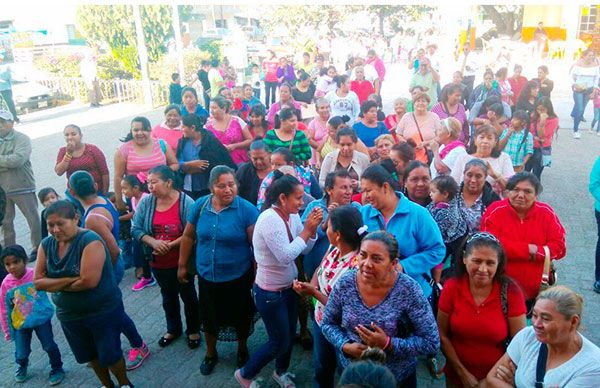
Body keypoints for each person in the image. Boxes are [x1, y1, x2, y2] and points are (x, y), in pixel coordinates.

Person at [234, 172, 323, 388]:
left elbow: (304, 249)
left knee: (288, 335)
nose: (302, 203)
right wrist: (307, 231)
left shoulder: (291, 216)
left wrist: (311, 233)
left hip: (289, 287)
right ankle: (245, 373)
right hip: (270, 292)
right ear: (283, 198)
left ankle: (280, 371)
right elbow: (285, 256)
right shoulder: (269, 219)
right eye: (298, 198)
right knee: (278, 340)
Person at [34, 200, 133, 388]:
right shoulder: (46, 245)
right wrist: (71, 280)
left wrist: (54, 284)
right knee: (91, 355)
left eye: (60, 224)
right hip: (70, 315)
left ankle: (124, 383)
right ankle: (106, 385)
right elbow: (38, 282)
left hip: (101, 311)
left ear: (75, 219)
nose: (55, 230)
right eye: (50, 225)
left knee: (110, 354)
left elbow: (89, 281)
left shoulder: (90, 240)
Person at [321, 231, 440, 387]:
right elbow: (327, 323)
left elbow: (431, 342)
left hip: (397, 379)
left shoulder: (409, 290)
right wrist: (345, 345)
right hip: (355, 377)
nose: (366, 264)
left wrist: (388, 344)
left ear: (393, 263)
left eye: (376, 259)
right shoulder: (346, 283)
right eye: (363, 255)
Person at [178, 166, 259, 375]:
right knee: (209, 317)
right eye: (221, 186)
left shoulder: (247, 210)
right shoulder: (199, 206)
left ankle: (242, 350)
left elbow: (256, 248)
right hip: (207, 276)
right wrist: (182, 265)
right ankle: (211, 353)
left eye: (231, 185)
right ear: (211, 187)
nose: (227, 190)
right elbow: (188, 236)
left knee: (240, 316)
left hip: (238, 277)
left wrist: (259, 275)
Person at [69, 171, 149, 371]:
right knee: (112, 310)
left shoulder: (92, 219)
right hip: (108, 265)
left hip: (108, 267)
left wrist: (109, 273)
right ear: (95, 186)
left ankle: (138, 345)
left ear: (71, 191)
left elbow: (113, 249)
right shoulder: (103, 200)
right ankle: (110, 348)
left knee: (114, 311)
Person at [438, 232, 526, 388]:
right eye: (476, 261)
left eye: (490, 263)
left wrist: (488, 380)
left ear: (499, 263)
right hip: (456, 376)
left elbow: (520, 344)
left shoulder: (511, 293)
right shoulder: (452, 287)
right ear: (465, 258)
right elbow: (442, 334)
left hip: (497, 380)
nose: (483, 269)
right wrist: (462, 373)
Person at [294, 205, 365, 387]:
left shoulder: (356, 267)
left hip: (343, 330)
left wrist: (313, 293)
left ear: (338, 234)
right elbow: (320, 268)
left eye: (329, 226)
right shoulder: (334, 248)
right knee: (322, 365)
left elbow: (343, 308)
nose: (326, 228)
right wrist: (311, 285)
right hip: (321, 320)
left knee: (345, 370)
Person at [131, 166, 201, 349]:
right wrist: (153, 242)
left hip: (182, 262)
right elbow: (135, 228)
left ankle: (193, 329)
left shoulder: (187, 203)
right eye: (148, 183)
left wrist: (170, 245)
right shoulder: (147, 203)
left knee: (188, 296)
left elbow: (192, 233)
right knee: (168, 296)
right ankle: (173, 328)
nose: (150, 187)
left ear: (169, 183)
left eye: (154, 182)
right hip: (158, 263)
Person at [481, 172, 566, 310]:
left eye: (527, 191)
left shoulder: (546, 213)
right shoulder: (495, 211)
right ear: (507, 191)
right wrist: (529, 251)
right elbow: (490, 247)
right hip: (498, 289)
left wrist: (532, 251)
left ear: (536, 194)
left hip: (536, 294)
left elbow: (559, 248)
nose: (520, 195)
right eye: (516, 190)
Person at [486, 286, 600, 387]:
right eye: (534, 315)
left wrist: (514, 384)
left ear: (573, 322)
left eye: (546, 318)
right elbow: (492, 379)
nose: (536, 324)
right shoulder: (528, 335)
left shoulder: (592, 367)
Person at [360, 165, 445, 297]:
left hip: (412, 295)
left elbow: (437, 250)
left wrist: (404, 266)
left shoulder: (418, 214)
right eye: (363, 191)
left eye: (368, 190)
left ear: (386, 187)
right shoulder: (364, 213)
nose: (365, 196)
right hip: (376, 296)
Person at [0, 245, 65, 385]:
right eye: (7, 264)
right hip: (21, 323)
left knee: (49, 345)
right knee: (22, 351)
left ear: (25, 260)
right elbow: (4, 308)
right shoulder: (6, 284)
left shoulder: (36, 274)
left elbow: (53, 283)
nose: (12, 267)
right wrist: (7, 330)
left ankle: (57, 367)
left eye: (16, 262)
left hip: (41, 319)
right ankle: (22, 365)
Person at [113, 116, 179, 211]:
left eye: (144, 130)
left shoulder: (161, 144)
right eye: (136, 130)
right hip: (136, 198)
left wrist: (161, 175)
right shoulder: (123, 150)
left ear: (150, 130)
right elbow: (118, 177)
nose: (140, 133)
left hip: (162, 193)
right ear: (131, 131)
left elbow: (175, 164)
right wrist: (119, 200)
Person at [0, 110, 41, 261]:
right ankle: (9, 252)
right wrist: (7, 161)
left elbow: (17, 160)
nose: (0, 125)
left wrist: (6, 162)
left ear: (11, 122)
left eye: (3, 122)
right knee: (5, 222)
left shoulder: (22, 138)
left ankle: (38, 247)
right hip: (2, 189)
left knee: (32, 218)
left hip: (22, 185)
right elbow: (11, 161)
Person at [176, 114, 236, 200]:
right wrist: (190, 164)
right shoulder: (183, 143)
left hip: (209, 186)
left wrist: (205, 167)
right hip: (189, 187)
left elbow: (222, 162)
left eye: (183, 127)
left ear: (192, 128)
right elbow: (177, 163)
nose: (181, 129)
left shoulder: (211, 141)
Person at [451, 125, 515, 197]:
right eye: (481, 137)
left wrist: (496, 176)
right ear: (475, 140)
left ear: (495, 142)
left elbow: (511, 188)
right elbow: (453, 184)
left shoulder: (503, 158)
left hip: (493, 203)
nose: (485, 141)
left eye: (489, 138)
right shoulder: (463, 157)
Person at [256, 147, 322, 210]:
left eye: (278, 165)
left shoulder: (307, 177)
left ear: (290, 164)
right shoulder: (268, 181)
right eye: (272, 164)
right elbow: (262, 205)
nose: (274, 168)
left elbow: (319, 200)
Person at [120, 174, 155, 291]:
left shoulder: (146, 198)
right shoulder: (134, 199)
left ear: (135, 188)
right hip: (140, 230)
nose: (123, 192)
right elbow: (135, 214)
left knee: (140, 250)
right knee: (140, 251)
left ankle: (146, 275)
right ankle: (146, 273)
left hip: (147, 231)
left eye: (125, 188)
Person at [55, 124, 110, 195]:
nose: (70, 137)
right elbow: (59, 172)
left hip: (95, 191)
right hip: (75, 193)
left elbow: (105, 173)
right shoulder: (63, 151)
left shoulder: (92, 150)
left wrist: (105, 194)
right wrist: (68, 154)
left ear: (81, 136)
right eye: (67, 135)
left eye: (73, 134)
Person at [456, 159, 501, 235]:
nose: (473, 180)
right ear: (464, 174)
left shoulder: (493, 199)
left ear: (485, 177)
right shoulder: (452, 194)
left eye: (478, 176)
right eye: (469, 175)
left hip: (482, 244)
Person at [206, 96, 253, 165]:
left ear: (224, 109)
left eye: (214, 108)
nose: (211, 110)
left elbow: (250, 140)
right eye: (210, 107)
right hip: (219, 162)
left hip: (239, 161)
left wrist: (235, 146)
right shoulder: (208, 126)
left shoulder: (237, 120)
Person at [397, 92, 442, 164]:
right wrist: (408, 145)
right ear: (414, 103)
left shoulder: (434, 116)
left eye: (423, 101)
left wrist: (425, 143)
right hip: (409, 155)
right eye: (418, 101)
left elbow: (439, 137)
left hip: (428, 154)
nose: (420, 103)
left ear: (428, 103)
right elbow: (398, 134)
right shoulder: (407, 116)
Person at [525, 97, 558, 180]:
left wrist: (542, 124)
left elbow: (541, 136)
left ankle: (535, 192)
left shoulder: (553, 119)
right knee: (524, 173)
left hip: (541, 149)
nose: (540, 112)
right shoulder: (533, 115)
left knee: (536, 175)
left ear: (548, 109)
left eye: (543, 110)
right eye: (538, 109)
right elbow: (528, 131)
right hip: (529, 147)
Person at [570, 49, 599, 138]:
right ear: (584, 56)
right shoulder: (577, 65)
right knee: (580, 109)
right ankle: (575, 130)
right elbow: (571, 76)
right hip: (579, 90)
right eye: (589, 55)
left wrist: (594, 90)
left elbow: (596, 78)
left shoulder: (596, 66)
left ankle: (575, 127)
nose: (591, 57)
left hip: (589, 90)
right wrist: (574, 84)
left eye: (592, 55)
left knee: (582, 110)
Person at [236, 139, 273, 205]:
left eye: (262, 158)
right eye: (255, 159)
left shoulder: (277, 169)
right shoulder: (244, 171)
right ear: (250, 156)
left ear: (269, 154)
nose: (258, 162)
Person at [307, 98, 331, 165]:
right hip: (317, 158)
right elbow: (309, 139)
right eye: (322, 108)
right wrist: (322, 150)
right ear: (317, 110)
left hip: (333, 156)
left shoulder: (334, 120)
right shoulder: (313, 123)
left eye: (327, 107)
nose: (325, 110)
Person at [0, 58, 19, 123]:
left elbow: (7, 76)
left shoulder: (5, 67)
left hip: (5, 89)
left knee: (10, 104)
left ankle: (15, 118)